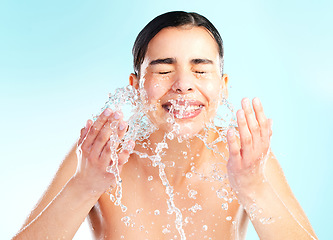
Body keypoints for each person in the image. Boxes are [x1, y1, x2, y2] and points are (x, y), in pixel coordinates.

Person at [13, 11, 317, 239]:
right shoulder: (100, 156)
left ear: (223, 87)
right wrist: (84, 186)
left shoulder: (244, 158)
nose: (183, 84)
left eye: (200, 70)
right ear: (135, 86)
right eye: (163, 70)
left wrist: (253, 186)